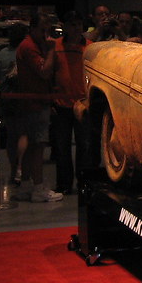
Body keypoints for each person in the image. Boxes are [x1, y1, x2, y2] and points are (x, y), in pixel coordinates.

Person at [15, 11, 63, 203]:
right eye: (42, 30)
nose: (46, 35)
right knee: (37, 146)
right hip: (35, 103)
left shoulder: (31, 45)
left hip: (34, 102)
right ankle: (38, 187)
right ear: (32, 28)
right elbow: (44, 71)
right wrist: (51, 50)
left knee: (32, 145)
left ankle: (26, 185)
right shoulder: (29, 47)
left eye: (48, 30)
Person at [51, 11, 90, 194]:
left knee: (84, 146)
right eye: (72, 24)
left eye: (79, 24)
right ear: (65, 26)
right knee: (61, 147)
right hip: (61, 104)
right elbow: (50, 73)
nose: (76, 28)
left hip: (83, 104)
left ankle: (83, 183)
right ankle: (64, 184)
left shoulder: (90, 48)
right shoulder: (55, 46)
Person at [0, 21, 29, 186]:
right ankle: (22, 168)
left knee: (11, 136)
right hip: (24, 98)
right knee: (24, 134)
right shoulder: (27, 53)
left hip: (7, 99)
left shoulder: (1, 55)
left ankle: (14, 169)